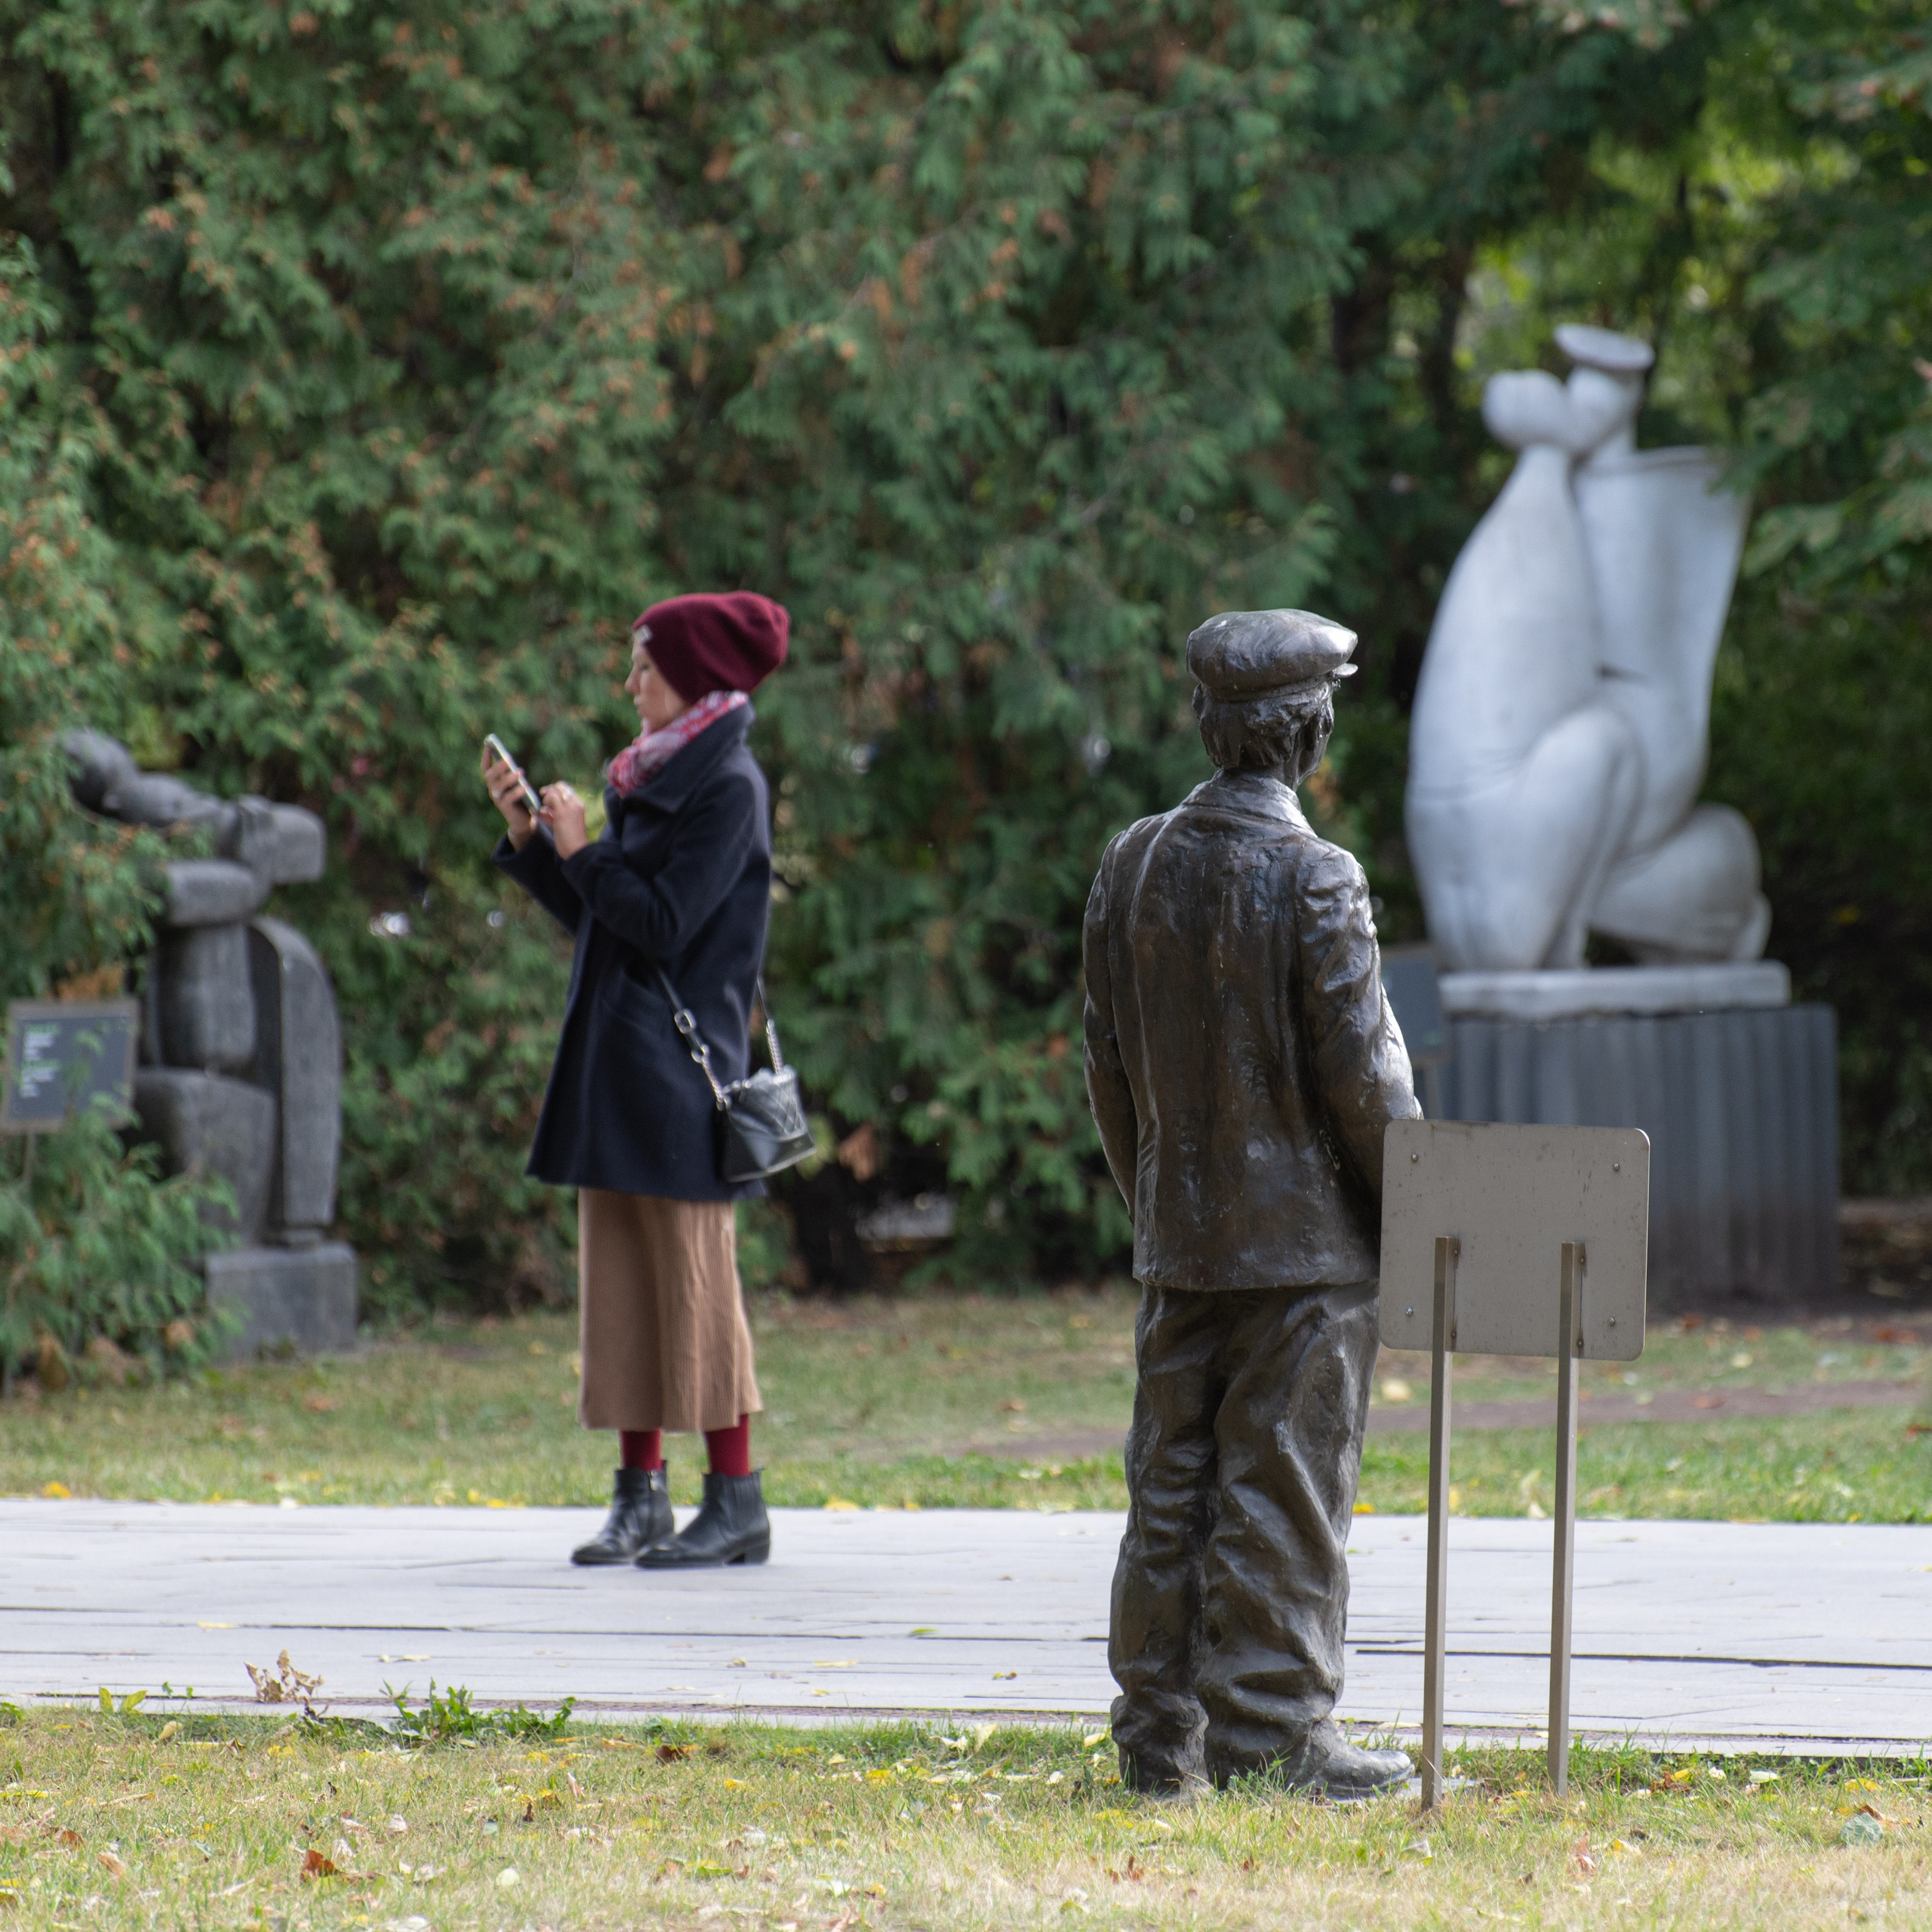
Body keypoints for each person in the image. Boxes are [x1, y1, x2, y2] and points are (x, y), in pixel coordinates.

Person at [1081, 607, 1422, 1798]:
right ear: (1310, 731)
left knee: (1169, 1484)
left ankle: (1155, 1736)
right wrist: (1422, 1216)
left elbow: (1107, 1070)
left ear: (1209, 724)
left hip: (1179, 1241)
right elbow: (1367, 1081)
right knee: (1282, 1481)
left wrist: (1158, 1208)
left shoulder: (1131, 863)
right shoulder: (1318, 877)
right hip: (1302, 1259)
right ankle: (1275, 1737)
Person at [482, 592, 788, 1570]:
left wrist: (584, 848)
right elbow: (604, 919)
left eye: (644, 667)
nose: (630, 684)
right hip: (617, 1067)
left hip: (680, 1081)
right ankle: (639, 1497)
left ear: (694, 678)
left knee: (697, 1290)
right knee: (618, 1288)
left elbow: (662, 925)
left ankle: (736, 1500)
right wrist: (537, 842)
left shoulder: (728, 786)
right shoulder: (653, 776)